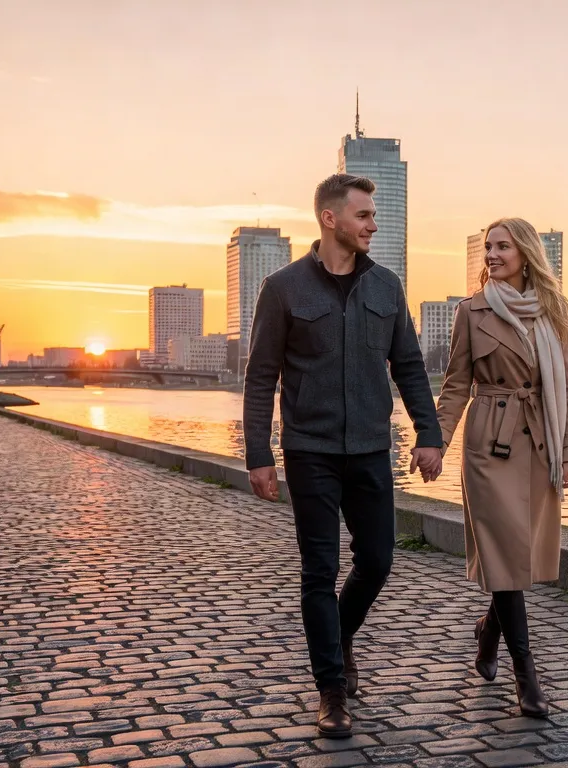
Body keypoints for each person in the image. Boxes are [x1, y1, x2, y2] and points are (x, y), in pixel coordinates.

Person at [243, 173, 443, 739]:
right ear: (330, 218)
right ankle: (331, 691)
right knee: (319, 573)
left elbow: (408, 365)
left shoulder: (387, 287)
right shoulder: (282, 288)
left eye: (373, 215)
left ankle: (339, 635)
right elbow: (260, 377)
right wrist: (259, 454)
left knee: (378, 560)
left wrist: (428, 433)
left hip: (371, 450)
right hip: (310, 451)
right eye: (363, 215)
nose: (372, 224)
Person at [435, 217, 568, 718]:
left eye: (501, 246)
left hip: (539, 439)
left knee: (516, 559)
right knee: (503, 553)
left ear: (525, 252)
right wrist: (434, 442)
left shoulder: (553, 313)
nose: (492, 255)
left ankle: (488, 630)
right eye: (487, 248)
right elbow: (456, 385)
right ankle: (528, 676)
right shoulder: (471, 311)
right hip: (488, 445)